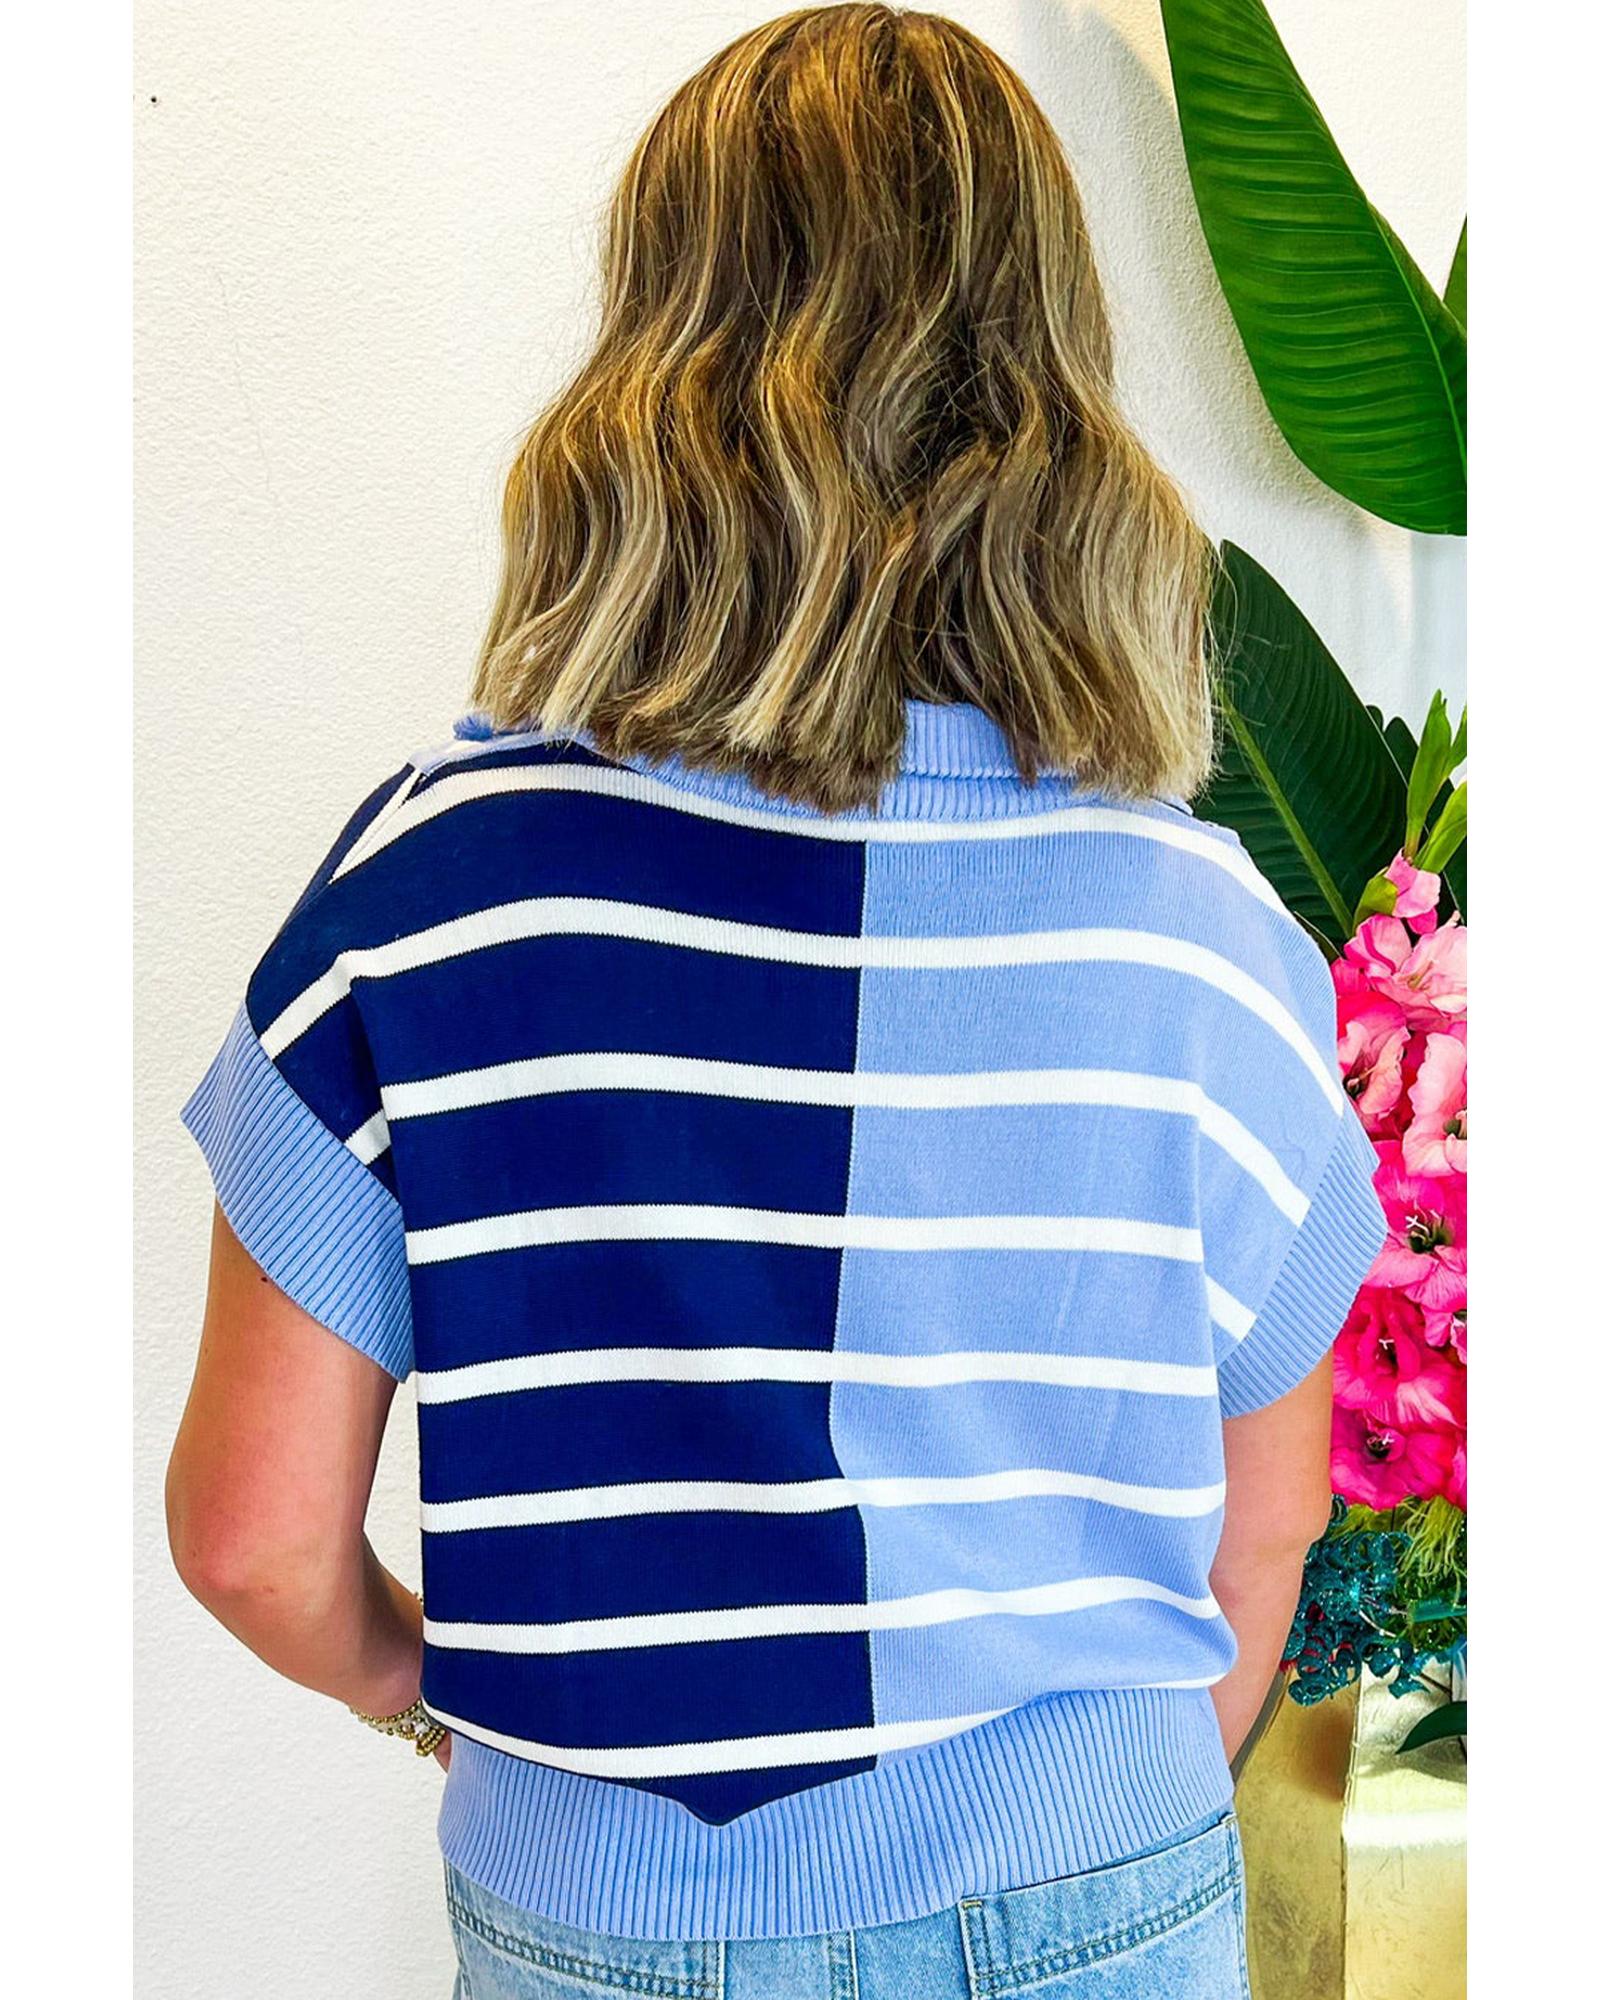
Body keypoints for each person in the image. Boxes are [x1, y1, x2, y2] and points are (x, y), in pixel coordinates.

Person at [166, 7, 1385, 1994]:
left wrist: (421, 1697)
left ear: (649, 372)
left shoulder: (421, 887)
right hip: (1101, 1885)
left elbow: (253, 1541)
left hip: (608, 1910)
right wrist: (1093, 1849)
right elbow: (1270, 1526)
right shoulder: (1196, 925)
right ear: (1055, 395)